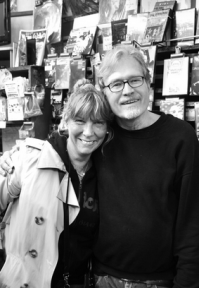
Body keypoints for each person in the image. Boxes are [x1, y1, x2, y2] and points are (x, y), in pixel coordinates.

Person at [2, 45, 199, 288]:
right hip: (100, 278)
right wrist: (18, 157)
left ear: (149, 83)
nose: (127, 91)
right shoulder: (101, 134)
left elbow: (192, 227)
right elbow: (64, 144)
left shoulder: (180, 138)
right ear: (105, 91)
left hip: (159, 280)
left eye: (135, 80)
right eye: (116, 84)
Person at [0, 81, 113, 288]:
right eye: (80, 120)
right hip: (26, 281)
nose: (89, 132)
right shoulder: (31, 158)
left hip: (77, 283)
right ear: (66, 121)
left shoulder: (105, 173)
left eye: (98, 123)